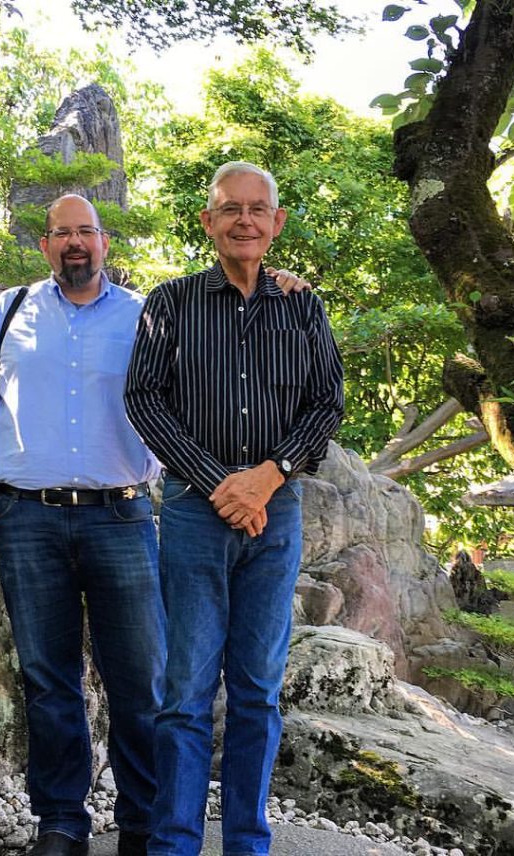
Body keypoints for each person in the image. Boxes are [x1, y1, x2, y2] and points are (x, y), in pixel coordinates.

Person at [0, 193, 311, 856]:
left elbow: (213, 362)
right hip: (25, 516)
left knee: (144, 681)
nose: (74, 242)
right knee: (48, 679)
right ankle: (61, 822)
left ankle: (143, 820)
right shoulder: (9, 311)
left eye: (86, 231)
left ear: (105, 242)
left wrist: (276, 284)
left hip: (122, 514)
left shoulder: (149, 313)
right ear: (46, 244)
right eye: (61, 232)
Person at [124, 162, 344, 856]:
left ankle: (247, 843)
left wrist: (268, 478)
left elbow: (326, 404)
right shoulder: (171, 302)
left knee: (257, 690)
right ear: (208, 221)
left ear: (277, 222)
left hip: (277, 514)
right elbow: (143, 399)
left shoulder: (303, 307)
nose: (244, 220)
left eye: (257, 209)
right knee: (186, 692)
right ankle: (174, 843)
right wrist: (222, 483)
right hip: (195, 513)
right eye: (230, 209)